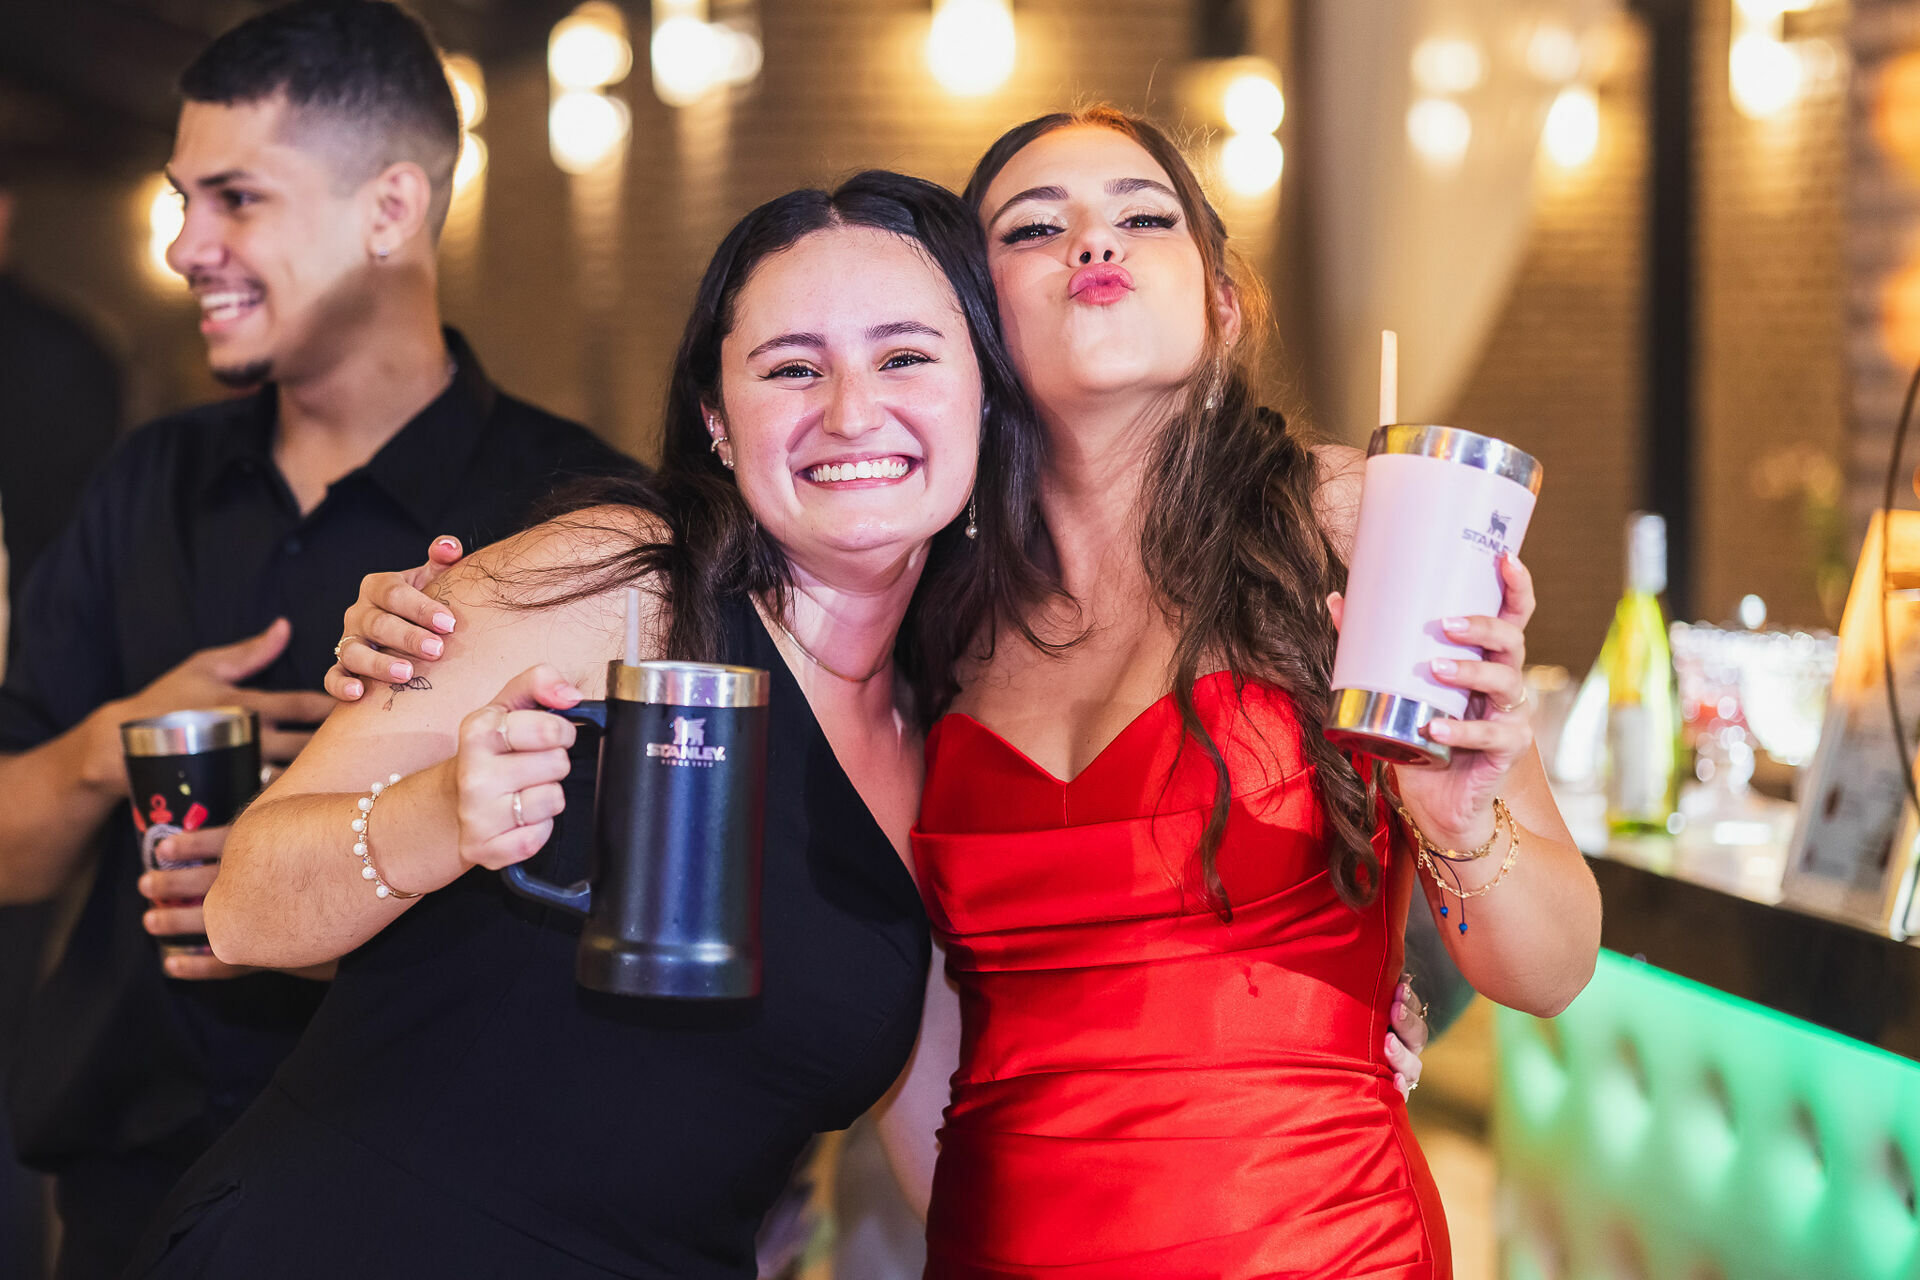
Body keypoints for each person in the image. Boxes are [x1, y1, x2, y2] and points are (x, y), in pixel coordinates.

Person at [125, 169, 1035, 1279]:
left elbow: (961, 1153)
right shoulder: (616, 581)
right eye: (791, 367)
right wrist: (441, 816)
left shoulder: (949, 747)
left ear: (985, 395)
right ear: (716, 420)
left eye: (904, 356)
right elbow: (245, 903)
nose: (849, 410)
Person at [886, 107, 1602, 1278]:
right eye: (1033, 228)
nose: (1092, 244)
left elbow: (1552, 966)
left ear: (1221, 300)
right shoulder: (930, 600)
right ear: (974, 321)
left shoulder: (1358, 523)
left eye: (1142, 215)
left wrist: (1462, 819)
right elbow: (921, 1029)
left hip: (1320, 1241)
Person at [0, 5, 630, 1276]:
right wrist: (106, 752)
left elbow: (617, 921)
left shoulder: (578, 516)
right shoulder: (148, 484)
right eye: (184, 198)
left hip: (434, 1210)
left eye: (236, 198)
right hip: (133, 1196)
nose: (186, 246)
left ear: (391, 210)